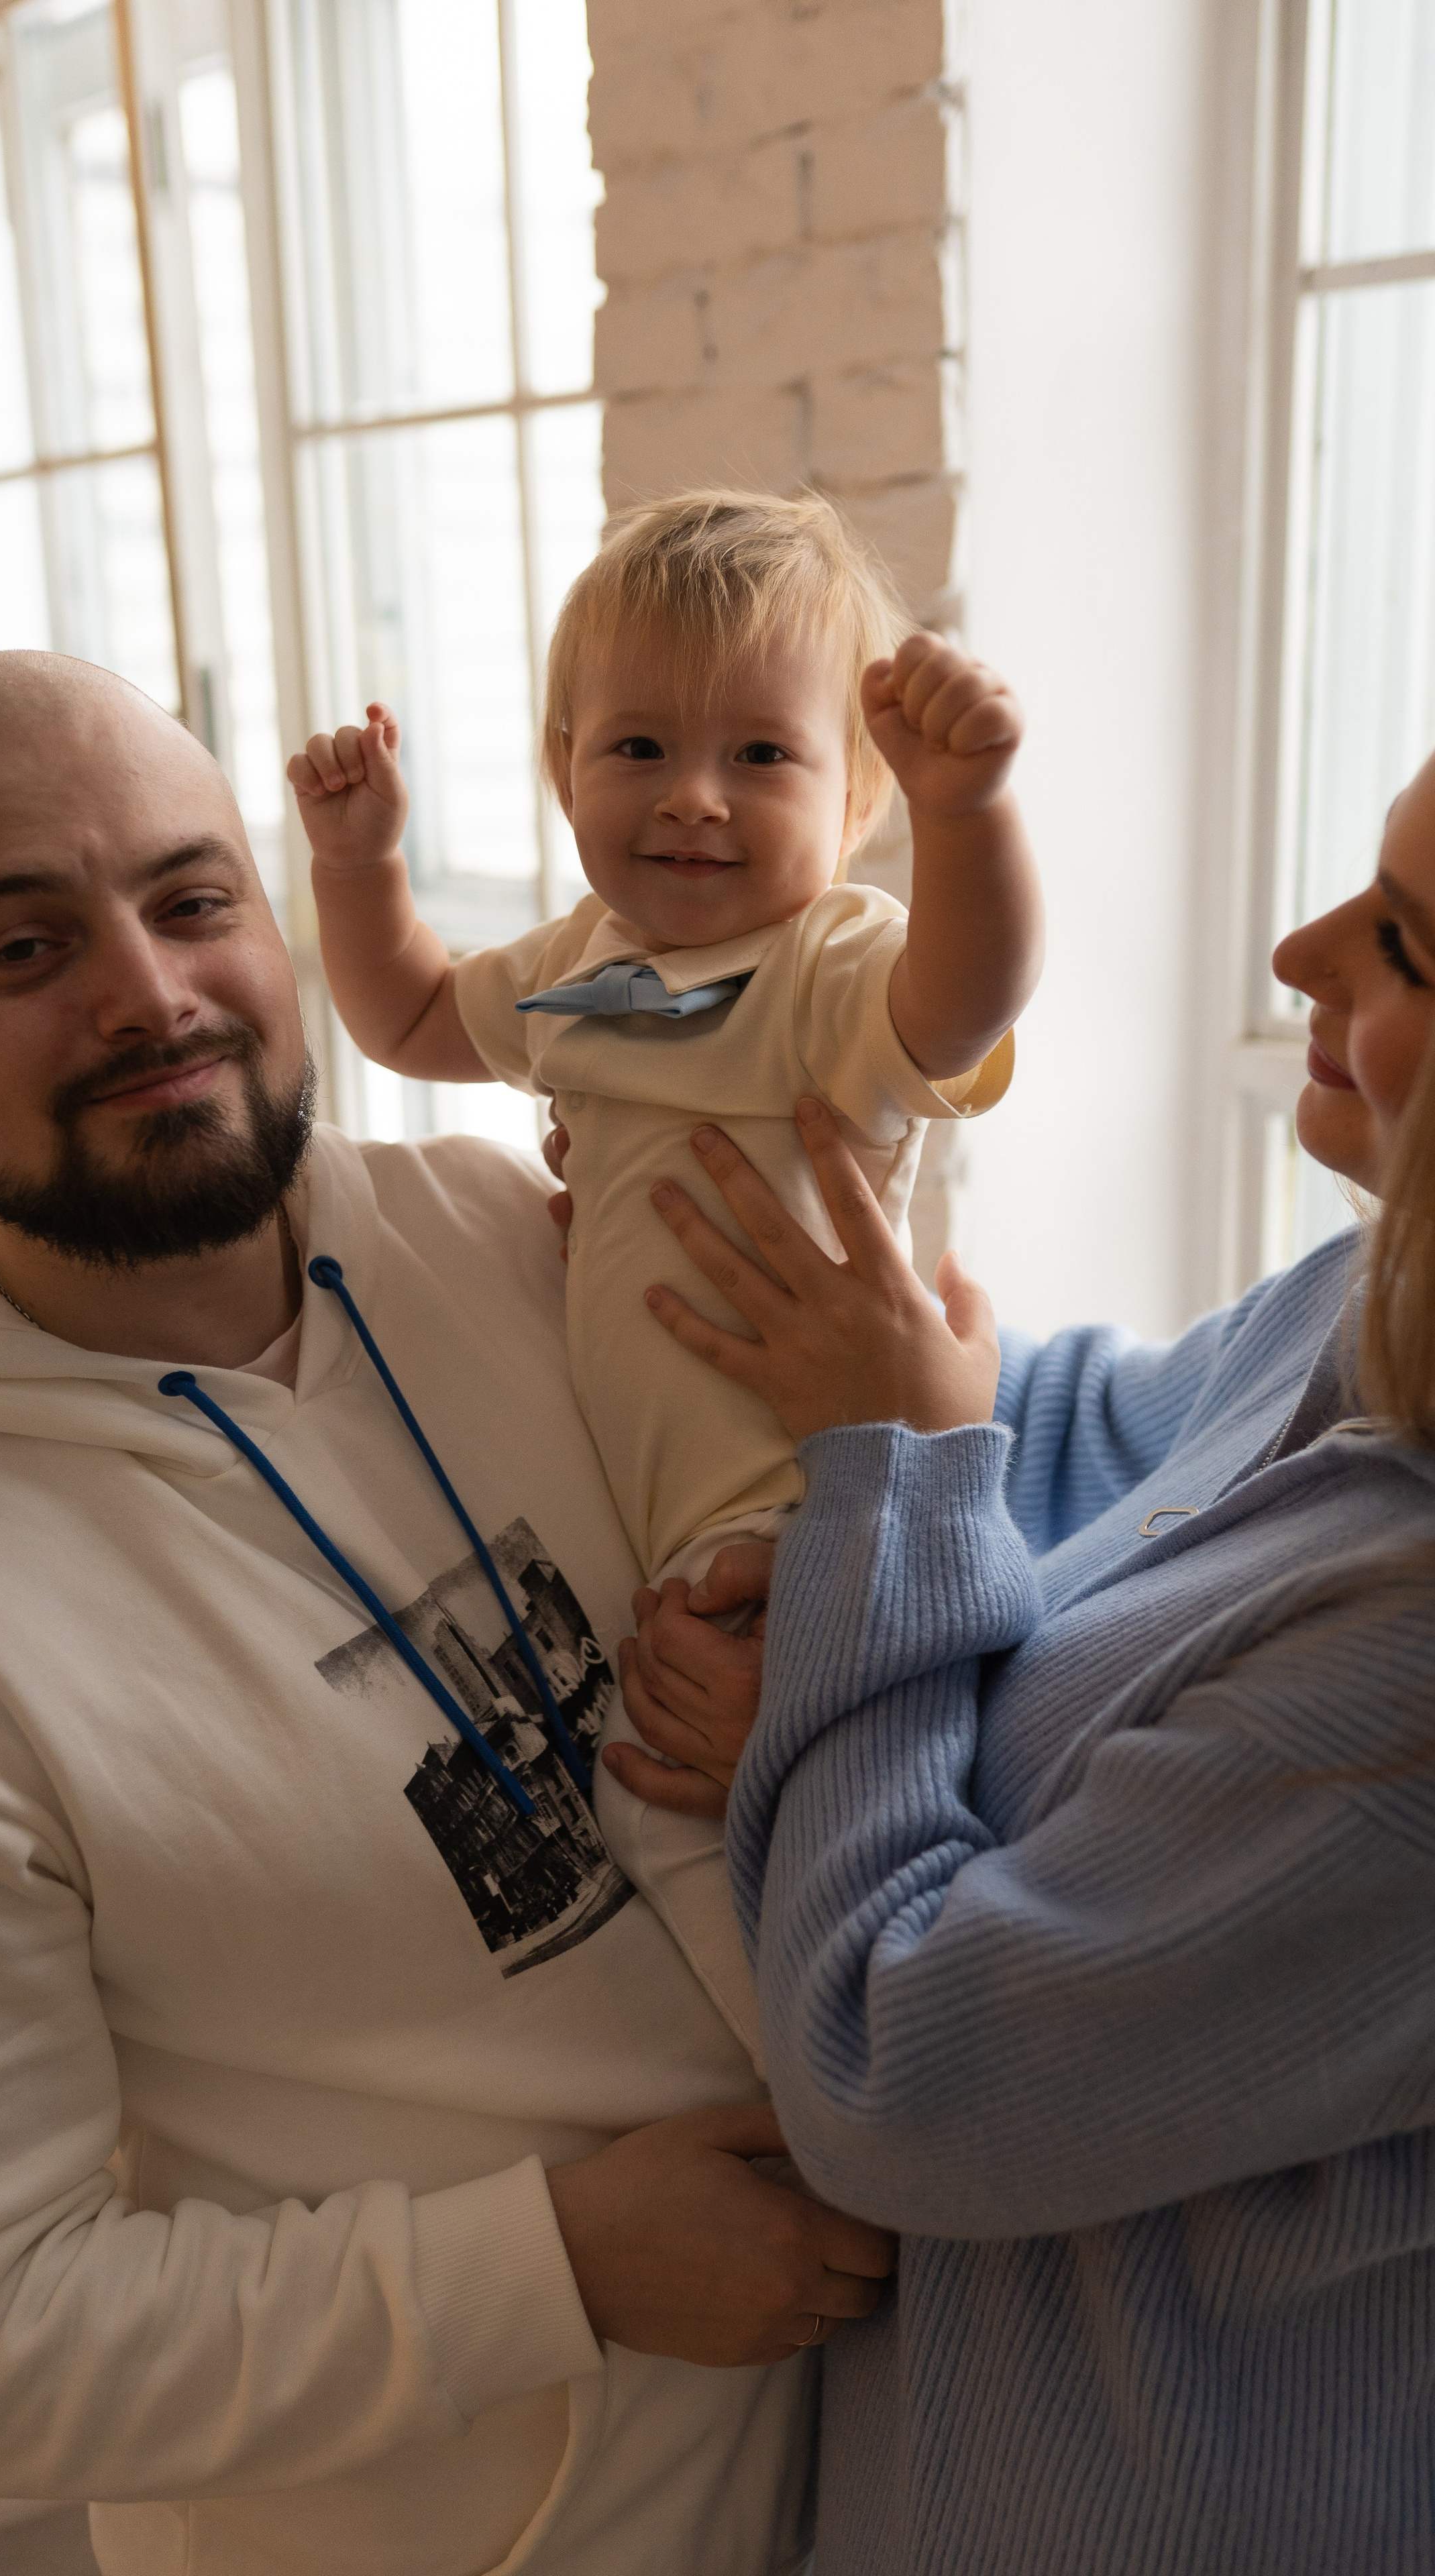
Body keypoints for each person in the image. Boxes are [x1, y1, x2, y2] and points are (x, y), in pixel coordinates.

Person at [0, 651, 896, 2576]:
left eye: (192, 901)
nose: (147, 994)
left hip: (873, 2466)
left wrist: (865, 1554)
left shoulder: (519, 1235)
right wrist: (557, 2268)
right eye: (23, 949)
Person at [606, 745, 1435, 2573]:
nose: (1297, 956)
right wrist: (766, 1249)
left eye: (1401, 946)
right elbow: (1066, 1447)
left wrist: (875, 1535)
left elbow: (893, 2073)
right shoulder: (1374, 1304)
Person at [292, 490, 1041, 1594]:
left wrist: (969, 814)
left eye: (761, 754)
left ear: (856, 799)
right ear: (567, 776)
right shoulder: (575, 959)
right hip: (652, 1527)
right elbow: (410, 1019)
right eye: (640, 747)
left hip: (814, 1503)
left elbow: (968, 1002)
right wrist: (359, 870)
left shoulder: (826, 963)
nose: (694, 798)